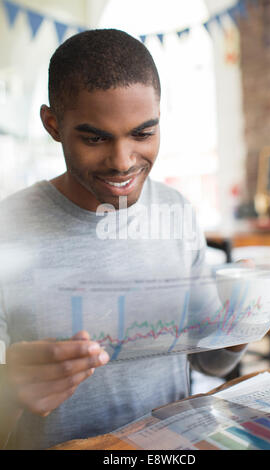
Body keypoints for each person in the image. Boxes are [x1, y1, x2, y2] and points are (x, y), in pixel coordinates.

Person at [0, 29, 246, 450]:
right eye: (95, 138)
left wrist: (240, 321)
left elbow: (208, 358)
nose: (122, 162)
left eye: (143, 133)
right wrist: (10, 392)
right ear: (52, 124)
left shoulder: (177, 212)